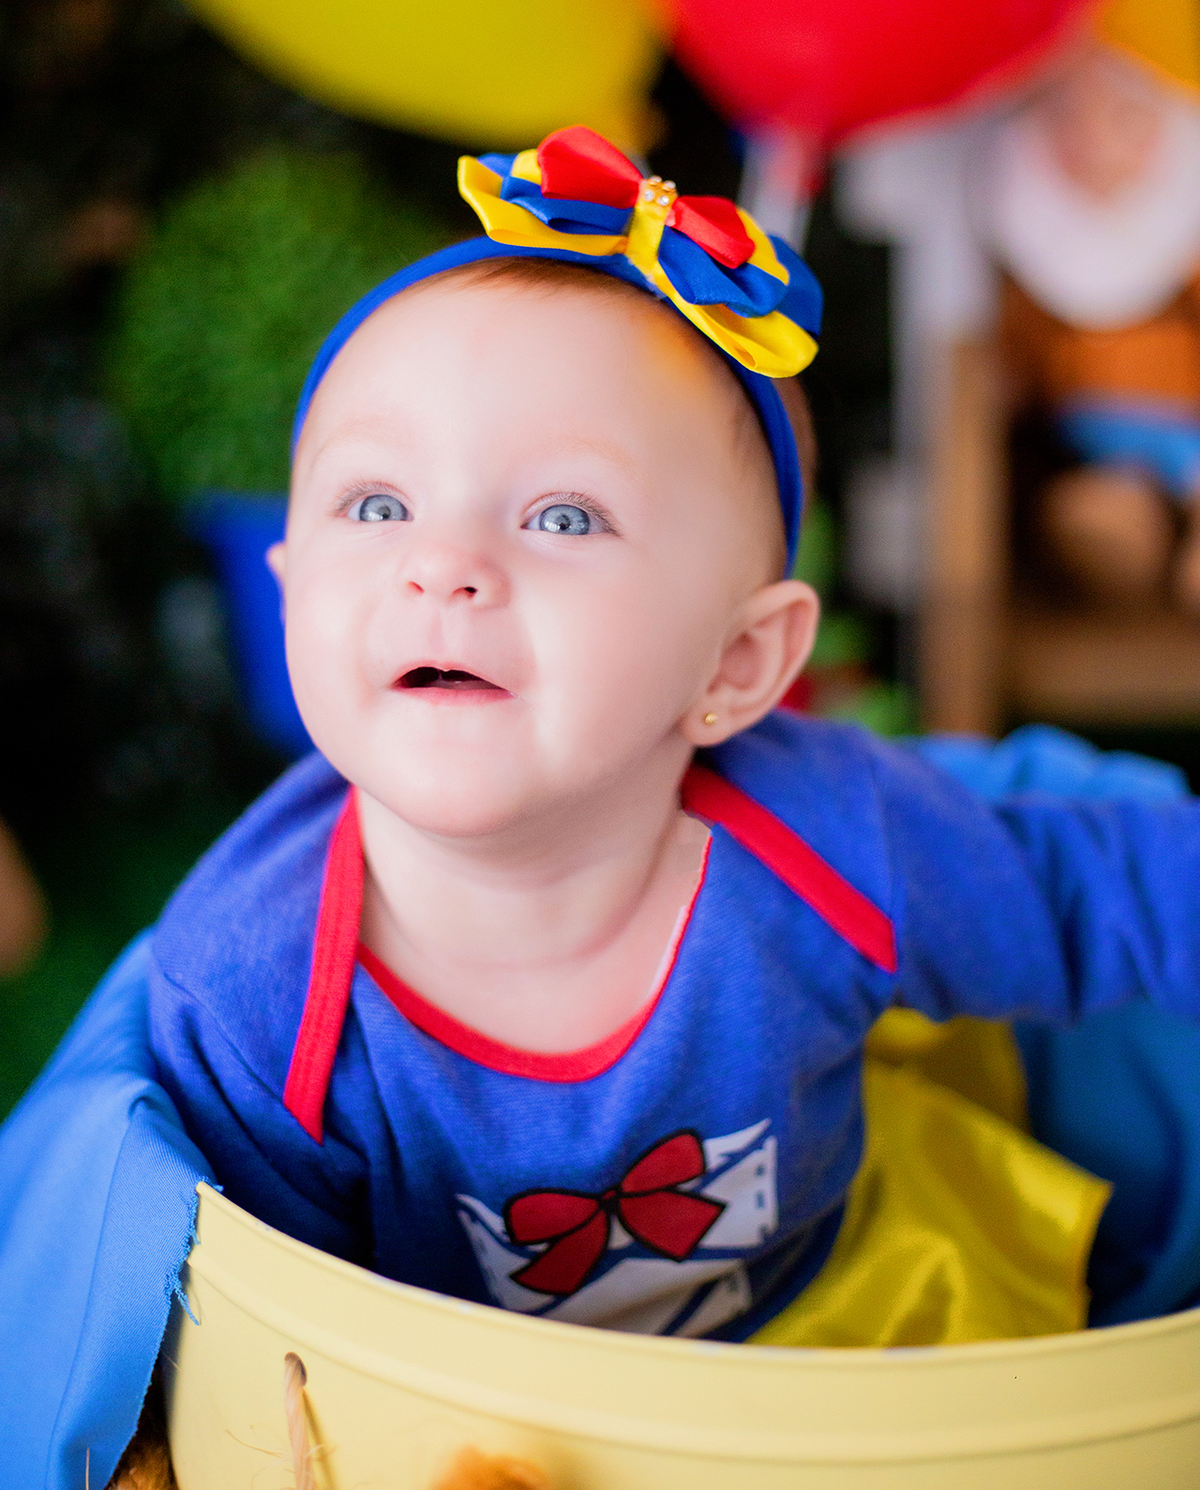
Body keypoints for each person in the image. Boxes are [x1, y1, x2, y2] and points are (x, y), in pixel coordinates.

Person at [144, 126, 1199, 1347]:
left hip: (849, 1316)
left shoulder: (840, 844)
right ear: (285, 586)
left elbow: (1089, 893)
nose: (441, 566)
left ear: (738, 664)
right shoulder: (250, 993)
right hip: (487, 1417)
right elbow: (276, 1338)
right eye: (376, 503)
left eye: (564, 515)